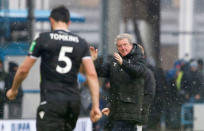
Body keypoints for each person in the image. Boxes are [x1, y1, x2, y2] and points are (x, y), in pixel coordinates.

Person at [6, 6, 102, 131]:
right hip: (72, 104)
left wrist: (14, 89)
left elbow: (24, 69)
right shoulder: (81, 42)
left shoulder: (43, 39)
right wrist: (95, 106)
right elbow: (91, 75)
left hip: (51, 101)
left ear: (51, 20)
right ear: (69, 22)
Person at [90, 33, 146, 131]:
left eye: (125, 45)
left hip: (131, 112)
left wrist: (123, 63)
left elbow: (137, 72)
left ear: (131, 45)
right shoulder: (115, 60)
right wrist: (95, 60)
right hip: (117, 111)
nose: (123, 48)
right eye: (119, 46)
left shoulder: (138, 58)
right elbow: (100, 72)